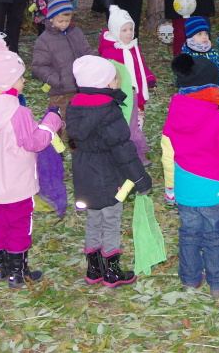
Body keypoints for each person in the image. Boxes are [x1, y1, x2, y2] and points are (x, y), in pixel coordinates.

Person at [0, 39, 64, 288]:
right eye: (20, 77)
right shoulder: (18, 113)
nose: (23, 81)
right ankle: (18, 271)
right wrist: (52, 121)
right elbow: (34, 142)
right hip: (17, 183)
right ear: (10, 81)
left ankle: (0, 267)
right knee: (19, 225)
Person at [162, 54, 219, 296]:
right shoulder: (218, 119)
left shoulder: (174, 115)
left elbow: (168, 155)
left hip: (185, 189)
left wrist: (170, 187)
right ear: (211, 88)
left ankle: (190, 278)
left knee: (189, 234)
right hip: (214, 191)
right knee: (215, 236)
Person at [67, 55, 152, 288]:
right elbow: (123, 149)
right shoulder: (109, 111)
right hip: (109, 173)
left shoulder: (75, 106)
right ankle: (112, 271)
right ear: (104, 83)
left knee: (93, 218)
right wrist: (140, 178)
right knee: (111, 219)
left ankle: (93, 268)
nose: (117, 81)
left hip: (84, 173)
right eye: (114, 78)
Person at [97, 5, 156, 162]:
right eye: (124, 30)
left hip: (137, 94)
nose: (129, 33)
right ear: (115, 31)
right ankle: (134, 154)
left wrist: (149, 78)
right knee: (128, 124)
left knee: (138, 122)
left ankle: (134, 150)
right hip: (123, 97)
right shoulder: (110, 52)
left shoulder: (133, 47)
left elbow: (141, 65)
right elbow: (107, 75)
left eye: (131, 29)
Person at [29, 0, 90, 98]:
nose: (64, 24)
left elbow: (87, 52)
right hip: (60, 92)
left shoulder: (77, 33)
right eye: (60, 21)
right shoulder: (44, 40)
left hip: (83, 87)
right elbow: (39, 66)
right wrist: (57, 80)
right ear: (51, 18)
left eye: (67, 21)